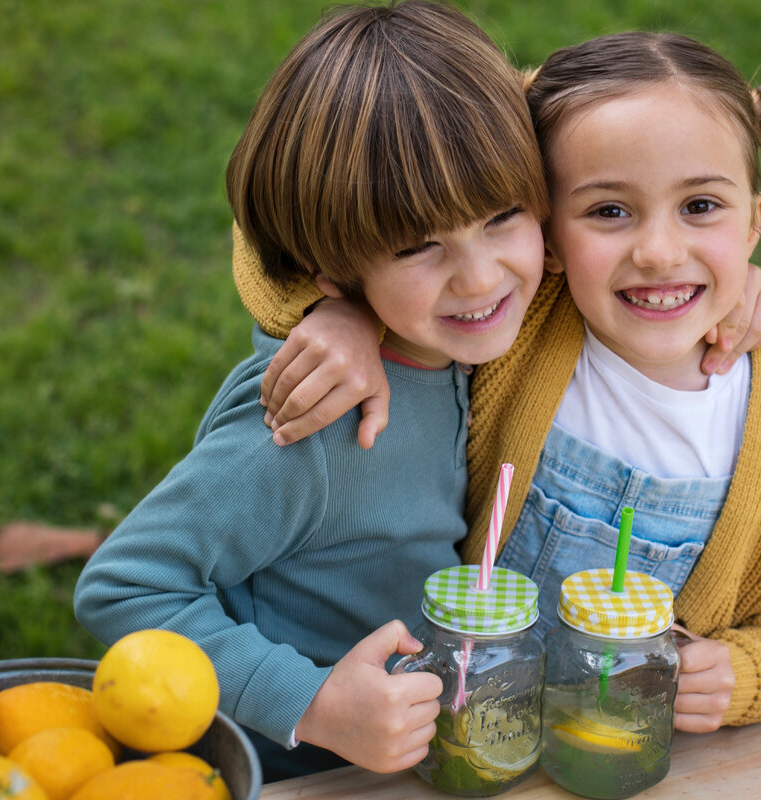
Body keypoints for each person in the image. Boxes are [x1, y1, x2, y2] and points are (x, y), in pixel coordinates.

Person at [234, 30, 761, 735]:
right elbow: (304, 199)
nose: (660, 252)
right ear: (543, 231)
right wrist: (339, 311)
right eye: (609, 210)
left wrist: (748, 672)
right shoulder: (516, 322)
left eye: (701, 207)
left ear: (755, 222)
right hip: (445, 750)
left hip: (616, 766)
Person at [73, 1, 551, 781]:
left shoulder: (455, 339)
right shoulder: (317, 428)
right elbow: (125, 586)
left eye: (503, 216)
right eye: (417, 246)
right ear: (334, 276)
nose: (479, 275)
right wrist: (315, 700)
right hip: (293, 771)